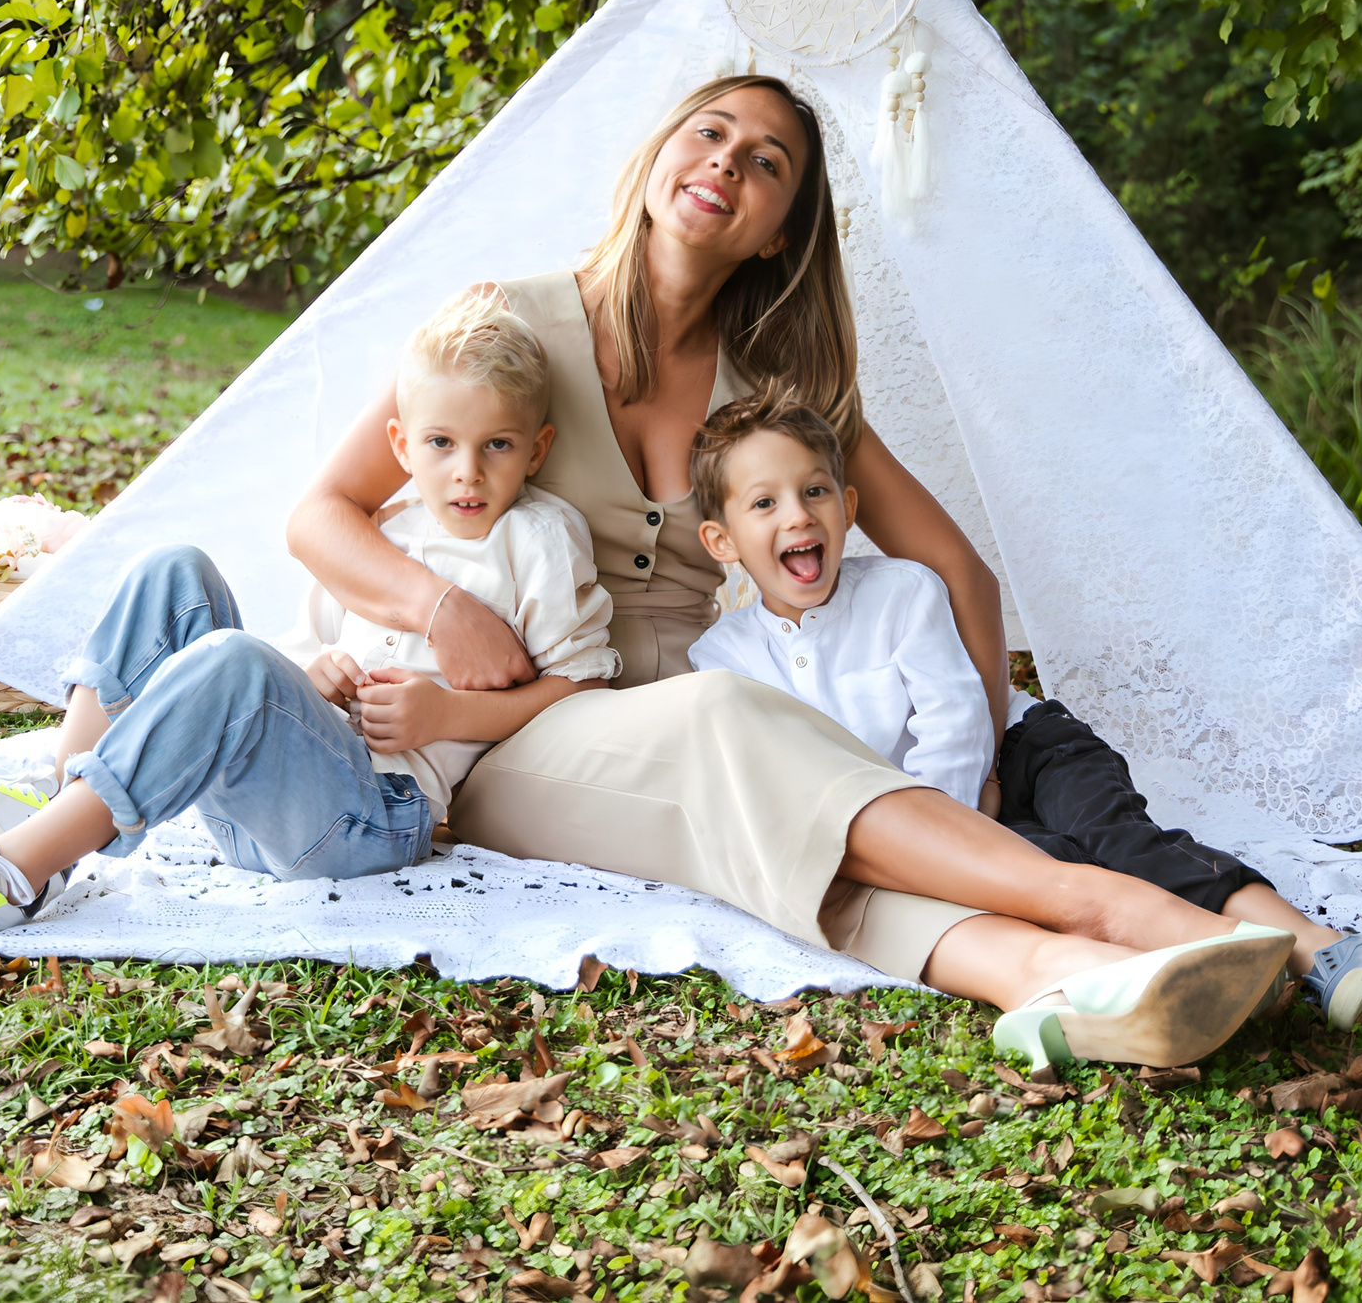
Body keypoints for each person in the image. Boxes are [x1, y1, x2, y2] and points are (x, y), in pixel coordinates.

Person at [284, 74, 1303, 1068]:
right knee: (735, 729)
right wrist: (444, 605)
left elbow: (953, 565)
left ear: (777, 229)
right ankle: (1120, 908)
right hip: (519, 736)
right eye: (710, 131)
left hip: (712, 715)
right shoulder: (508, 326)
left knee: (793, 818)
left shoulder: (772, 394)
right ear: (659, 156)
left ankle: (1048, 973)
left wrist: (983, 748)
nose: (726, 159)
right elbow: (320, 514)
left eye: (764, 161)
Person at [0, 294, 619, 950]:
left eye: (498, 445)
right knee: (176, 573)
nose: (467, 471)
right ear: (401, 445)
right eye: (441, 443)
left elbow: (577, 686)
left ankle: (20, 871)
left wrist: (448, 712)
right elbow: (320, 667)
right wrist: (315, 683)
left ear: (538, 448)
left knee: (238, 663)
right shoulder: (389, 528)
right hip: (269, 812)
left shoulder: (540, 541)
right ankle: (63, 791)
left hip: (375, 823)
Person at [682, 387, 1362, 1033]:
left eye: (815, 491)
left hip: (1022, 750)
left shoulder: (902, 591)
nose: (799, 515)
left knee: (1115, 837)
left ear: (849, 506)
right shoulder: (726, 661)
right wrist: (955, 845)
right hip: (930, 823)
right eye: (765, 503)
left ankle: (1323, 951)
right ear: (721, 540)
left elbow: (957, 721)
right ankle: (1206, 967)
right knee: (1046, 873)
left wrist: (954, 832)